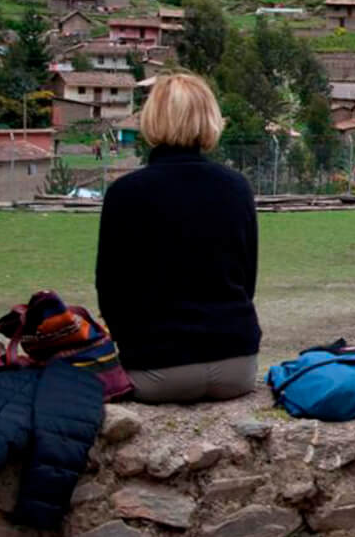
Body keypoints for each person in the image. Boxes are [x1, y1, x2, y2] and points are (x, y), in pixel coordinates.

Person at [96, 73, 262, 403]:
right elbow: (247, 280)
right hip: (237, 366)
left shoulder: (125, 193)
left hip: (156, 370)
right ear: (210, 118)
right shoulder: (236, 187)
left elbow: (110, 291)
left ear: (152, 118)